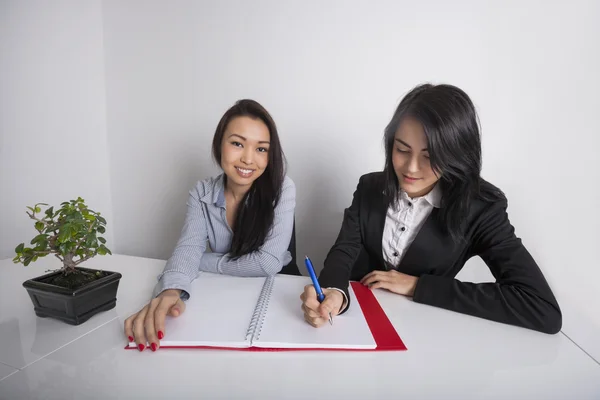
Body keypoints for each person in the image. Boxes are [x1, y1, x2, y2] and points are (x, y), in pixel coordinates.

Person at [300, 83, 562, 334]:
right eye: (402, 150)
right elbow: (345, 250)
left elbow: (540, 307)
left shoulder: (481, 208)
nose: (411, 168)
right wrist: (334, 292)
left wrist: (419, 286)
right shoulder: (370, 186)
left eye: (430, 156)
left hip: (427, 336)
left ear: (456, 155)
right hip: (356, 324)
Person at [125, 99, 297, 351]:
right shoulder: (202, 192)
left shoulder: (282, 188)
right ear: (219, 145)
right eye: (237, 144)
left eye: (261, 149)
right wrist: (171, 290)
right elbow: (188, 248)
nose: (249, 159)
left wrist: (204, 260)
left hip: (275, 294)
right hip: (223, 297)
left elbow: (268, 262)